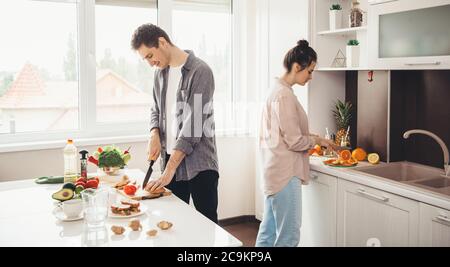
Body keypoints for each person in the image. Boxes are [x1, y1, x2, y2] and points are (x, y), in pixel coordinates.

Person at [131, 24, 219, 223]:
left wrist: (169, 170)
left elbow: (193, 125)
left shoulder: (200, 71)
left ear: (162, 42)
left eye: (149, 56)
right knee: (174, 225)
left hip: (200, 165)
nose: (150, 63)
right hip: (169, 158)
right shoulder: (159, 74)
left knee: (206, 227)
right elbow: (155, 108)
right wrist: (154, 134)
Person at [256, 39, 340, 247]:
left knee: (267, 234)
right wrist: (315, 140)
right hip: (285, 174)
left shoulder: (276, 90)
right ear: (296, 67)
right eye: (309, 71)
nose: (311, 77)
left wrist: (317, 139)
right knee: (289, 236)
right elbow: (294, 141)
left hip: (273, 171)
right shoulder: (284, 95)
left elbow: (286, 132)